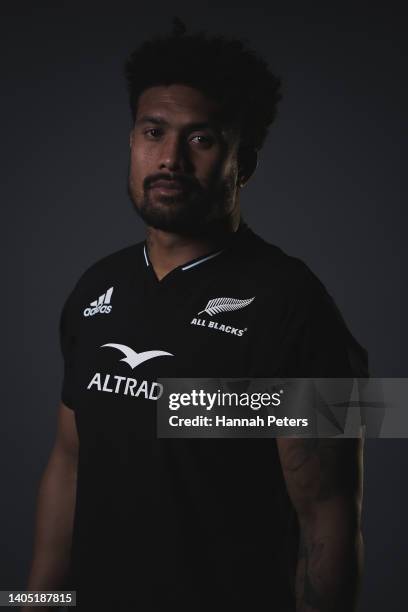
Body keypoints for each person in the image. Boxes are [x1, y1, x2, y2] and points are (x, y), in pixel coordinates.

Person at [24, 18, 367, 612]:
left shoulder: (294, 305)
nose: (170, 159)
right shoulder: (96, 287)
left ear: (245, 162)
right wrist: (36, 604)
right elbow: (68, 466)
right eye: (153, 132)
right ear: (131, 142)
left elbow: (328, 519)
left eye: (202, 139)